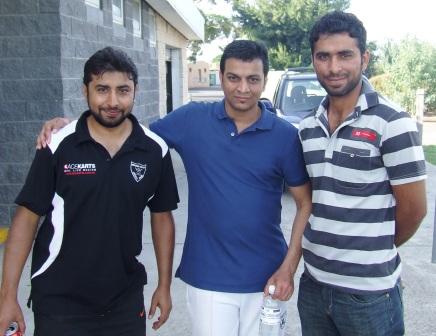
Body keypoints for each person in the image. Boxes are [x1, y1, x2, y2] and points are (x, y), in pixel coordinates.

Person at [35, 40, 312, 336]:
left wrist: (289, 267)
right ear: (220, 77)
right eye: (234, 78)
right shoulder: (191, 119)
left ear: (264, 81)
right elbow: (129, 133)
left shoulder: (284, 135)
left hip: (269, 278)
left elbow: (304, 204)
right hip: (209, 279)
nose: (243, 88)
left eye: (253, 79)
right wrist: (70, 126)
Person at [0, 47, 179, 335]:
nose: (112, 101)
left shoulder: (154, 149)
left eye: (123, 90)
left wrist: (165, 285)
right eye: (102, 89)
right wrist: (7, 296)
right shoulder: (58, 145)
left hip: (124, 300)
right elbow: (27, 218)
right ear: (85, 91)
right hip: (60, 301)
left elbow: (162, 217)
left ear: (135, 91)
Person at [297, 11, 427, 336]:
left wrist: (373, 250)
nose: (333, 67)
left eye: (345, 55)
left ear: (364, 58)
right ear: (313, 60)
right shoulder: (307, 127)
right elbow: (312, 200)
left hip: (369, 297)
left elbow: (414, 210)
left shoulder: (392, 122)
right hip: (313, 285)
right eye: (323, 56)